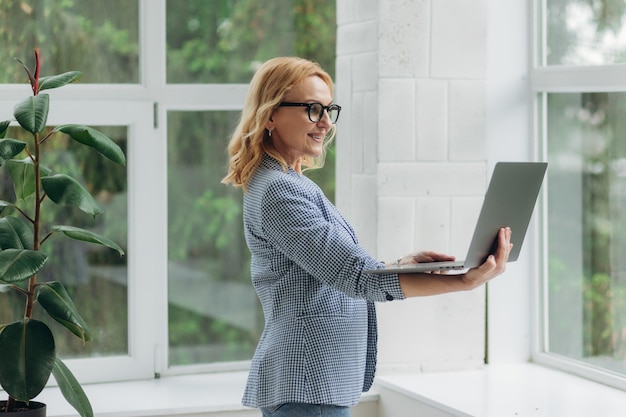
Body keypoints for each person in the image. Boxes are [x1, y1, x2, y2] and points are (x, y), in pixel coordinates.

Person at [222, 57, 513, 417]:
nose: (326, 122)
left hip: (315, 384)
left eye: (329, 109)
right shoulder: (280, 191)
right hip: (308, 385)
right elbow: (357, 277)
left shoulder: (289, 182)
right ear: (269, 115)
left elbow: (334, 272)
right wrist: (463, 282)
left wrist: (398, 266)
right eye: (313, 109)